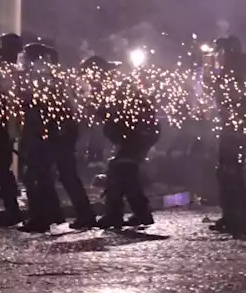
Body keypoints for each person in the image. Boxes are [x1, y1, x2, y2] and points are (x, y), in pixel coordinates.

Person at [17, 43, 97, 232]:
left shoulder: (40, 79)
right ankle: (78, 214)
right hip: (60, 131)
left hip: (52, 132)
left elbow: (37, 108)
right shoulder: (53, 77)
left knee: (35, 174)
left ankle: (42, 217)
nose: (24, 61)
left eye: (27, 57)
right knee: (64, 175)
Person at [83, 56, 159, 229]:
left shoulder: (114, 87)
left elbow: (117, 114)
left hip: (139, 132)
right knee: (122, 170)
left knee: (120, 167)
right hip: (137, 133)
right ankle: (139, 213)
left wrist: (98, 110)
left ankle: (117, 214)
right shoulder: (109, 87)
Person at [206, 36, 246, 236]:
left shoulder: (236, 68)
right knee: (226, 172)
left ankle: (239, 219)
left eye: (219, 51)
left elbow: (231, 96)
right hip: (234, 126)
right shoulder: (238, 67)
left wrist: (213, 80)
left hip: (236, 128)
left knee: (231, 172)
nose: (216, 56)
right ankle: (231, 217)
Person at [0, 33, 23, 226]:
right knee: (1, 170)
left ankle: (1, 213)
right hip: (4, 128)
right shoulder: (15, 71)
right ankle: (11, 211)